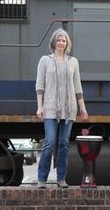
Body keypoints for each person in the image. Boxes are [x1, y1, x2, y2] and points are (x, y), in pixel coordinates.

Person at [35, 28, 88, 189]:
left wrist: (83, 108)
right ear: (54, 42)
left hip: (69, 109)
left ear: (67, 44)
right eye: (58, 40)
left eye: (64, 40)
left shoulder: (73, 62)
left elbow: (78, 87)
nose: (61, 43)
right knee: (50, 142)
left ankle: (61, 179)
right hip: (50, 108)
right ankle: (42, 179)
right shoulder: (45, 60)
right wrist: (39, 107)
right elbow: (39, 85)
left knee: (64, 143)